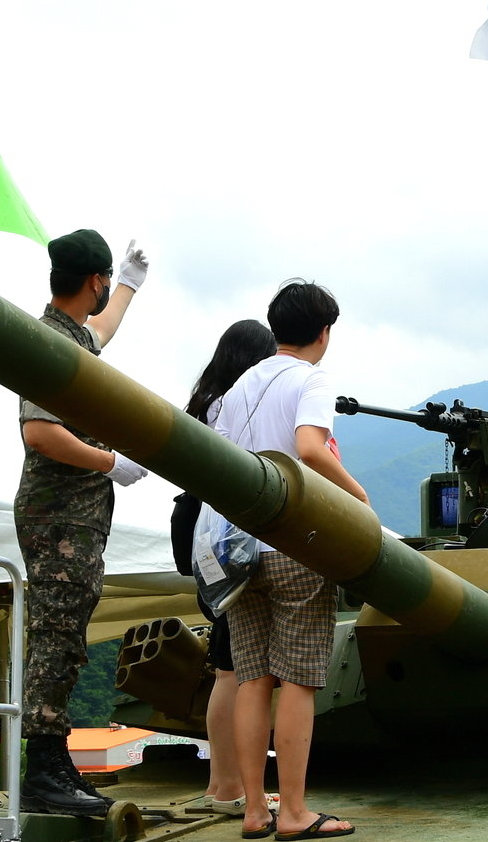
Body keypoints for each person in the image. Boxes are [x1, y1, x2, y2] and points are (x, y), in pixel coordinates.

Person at [216, 280, 365, 840]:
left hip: (238, 549)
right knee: (298, 681)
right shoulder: (312, 378)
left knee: (253, 678)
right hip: (295, 542)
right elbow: (308, 447)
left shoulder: (237, 388)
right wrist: (358, 496)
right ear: (323, 333)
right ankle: (296, 813)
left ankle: (256, 811)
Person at [14, 229, 151, 816]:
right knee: (55, 638)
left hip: (74, 521)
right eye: (106, 284)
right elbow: (39, 432)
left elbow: (99, 330)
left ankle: (54, 759)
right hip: (59, 519)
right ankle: (43, 768)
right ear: (90, 282)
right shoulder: (48, 343)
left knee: (66, 638)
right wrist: (110, 462)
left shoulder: (68, 335)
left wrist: (128, 286)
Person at [171, 319, 280, 817]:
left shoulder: (204, 400)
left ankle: (222, 782)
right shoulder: (234, 406)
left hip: (198, 535)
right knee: (234, 669)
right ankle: (231, 783)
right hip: (226, 536)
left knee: (225, 666)